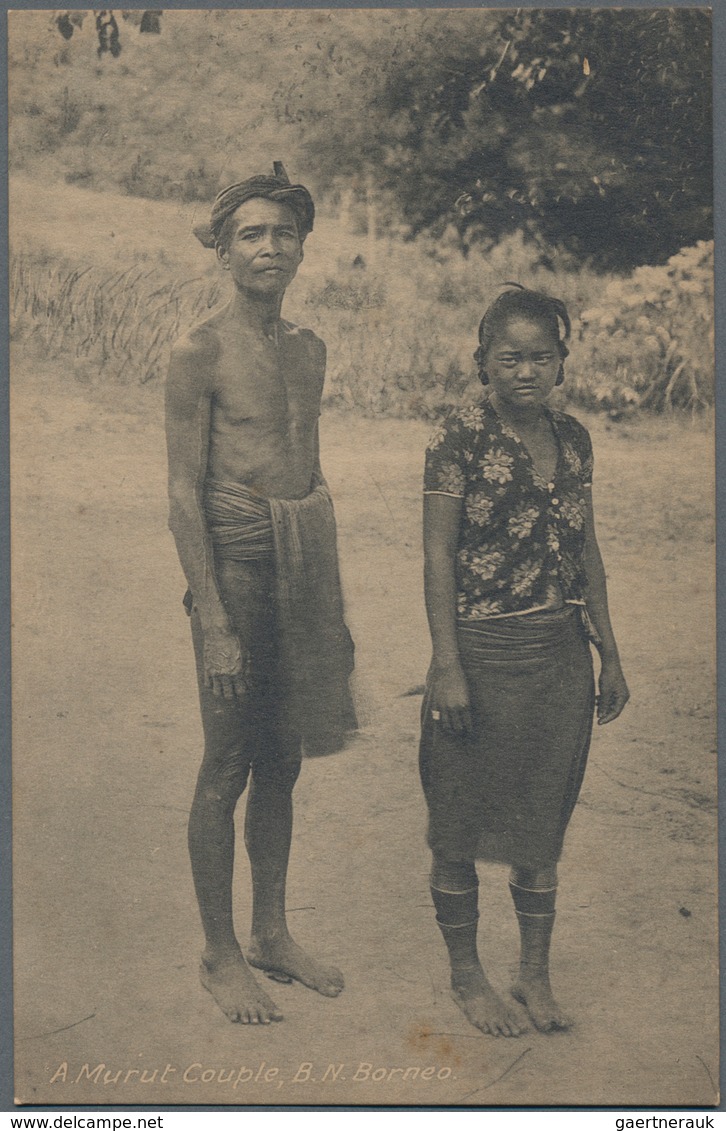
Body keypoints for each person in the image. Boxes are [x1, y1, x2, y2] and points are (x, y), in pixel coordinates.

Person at [165, 166, 355, 1025]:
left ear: (303, 247)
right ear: (223, 248)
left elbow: (301, 467)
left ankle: (272, 931)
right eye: (250, 233)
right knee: (229, 760)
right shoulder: (197, 350)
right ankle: (219, 950)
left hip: (297, 570)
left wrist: (319, 592)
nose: (268, 247)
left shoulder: (309, 349)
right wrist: (211, 617)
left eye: (282, 232)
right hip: (234, 574)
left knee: (283, 756)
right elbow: (181, 491)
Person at [419, 284, 629, 1037]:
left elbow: (588, 547)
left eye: (541, 357)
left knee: (542, 824)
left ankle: (533, 973)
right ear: (483, 363)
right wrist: (448, 663)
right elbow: (438, 554)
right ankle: (468, 975)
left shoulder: (575, 440)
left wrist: (610, 649)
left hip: (560, 660)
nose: (525, 371)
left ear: (562, 364)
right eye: (509, 357)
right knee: (460, 820)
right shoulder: (458, 440)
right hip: (480, 654)